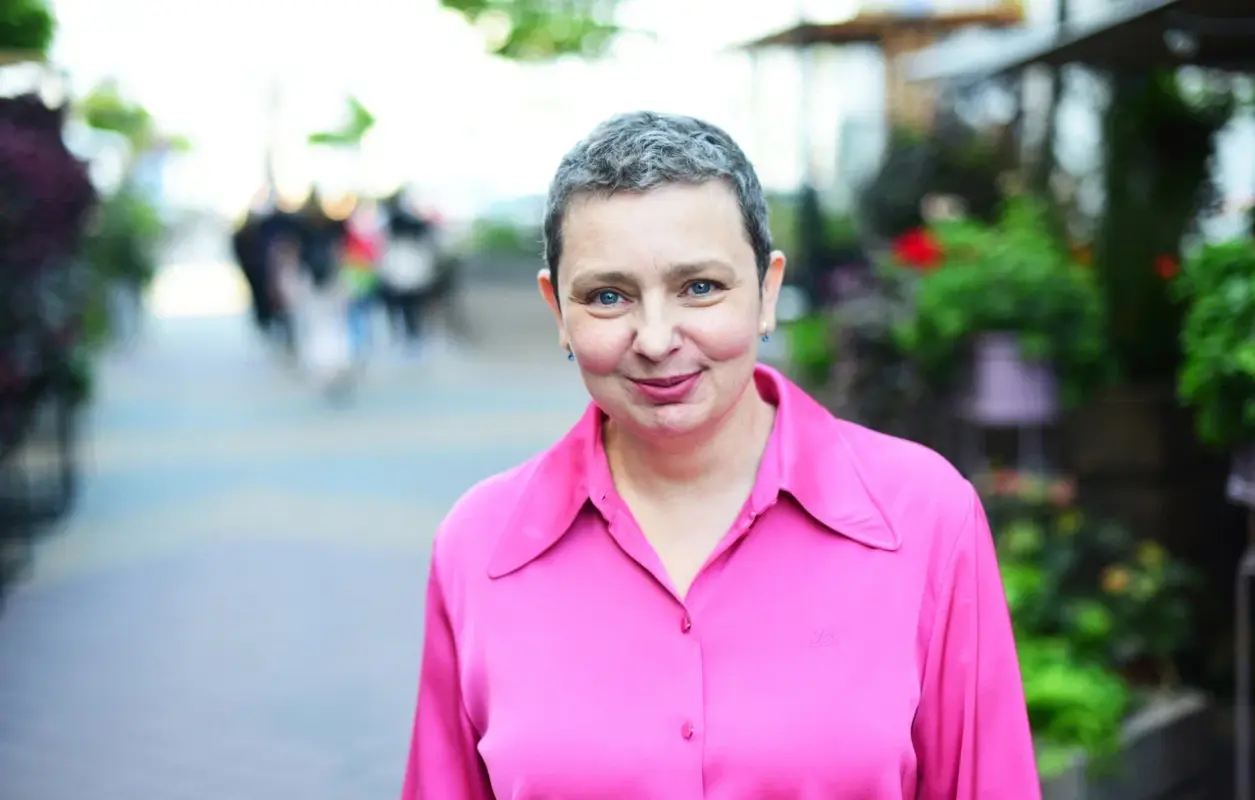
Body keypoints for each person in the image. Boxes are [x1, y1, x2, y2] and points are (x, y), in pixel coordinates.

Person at [400, 112, 1040, 799]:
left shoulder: (923, 516)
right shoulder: (480, 545)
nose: (655, 339)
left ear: (767, 292)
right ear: (558, 310)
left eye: (700, 287)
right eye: (608, 296)